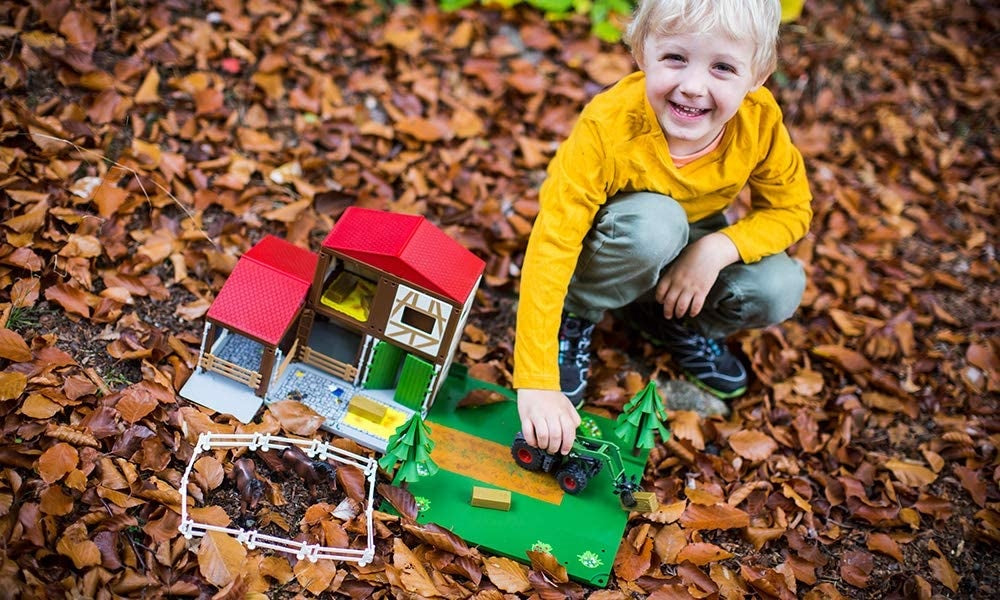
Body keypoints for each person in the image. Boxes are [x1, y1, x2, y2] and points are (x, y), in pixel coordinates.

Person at [513, 0, 812, 456]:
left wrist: (718, 248)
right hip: (619, 238)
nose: (693, 86)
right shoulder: (609, 125)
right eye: (675, 58)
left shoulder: (760, 122)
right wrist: (534, 379)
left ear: (758, 76)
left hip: (693, 234)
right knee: (657, 224)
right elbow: (554, 241)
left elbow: (791, 211)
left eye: (723, 68)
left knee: (780, 284)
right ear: (641, 52)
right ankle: (579, 315)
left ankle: (669, 318)